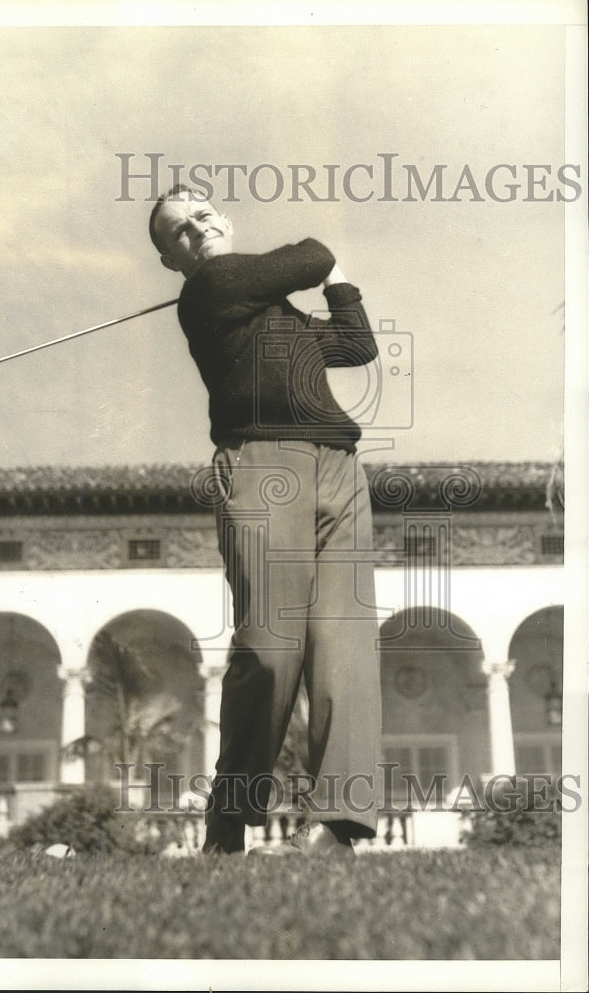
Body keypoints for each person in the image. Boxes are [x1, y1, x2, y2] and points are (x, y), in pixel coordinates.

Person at [149, 185, 382, 857]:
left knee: (343, 645)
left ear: (224, 219)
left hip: (338, 467)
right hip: (259, 463)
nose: (196, 230)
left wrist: (337, 281)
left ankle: (339, 825)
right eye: (179, 231)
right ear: (172, 262)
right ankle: (230, 814)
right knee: (271, 647)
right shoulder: (209, 290)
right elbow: (311, 254)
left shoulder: (274, 313)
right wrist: (329, 266)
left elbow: (355, 343)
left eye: (202, 216)